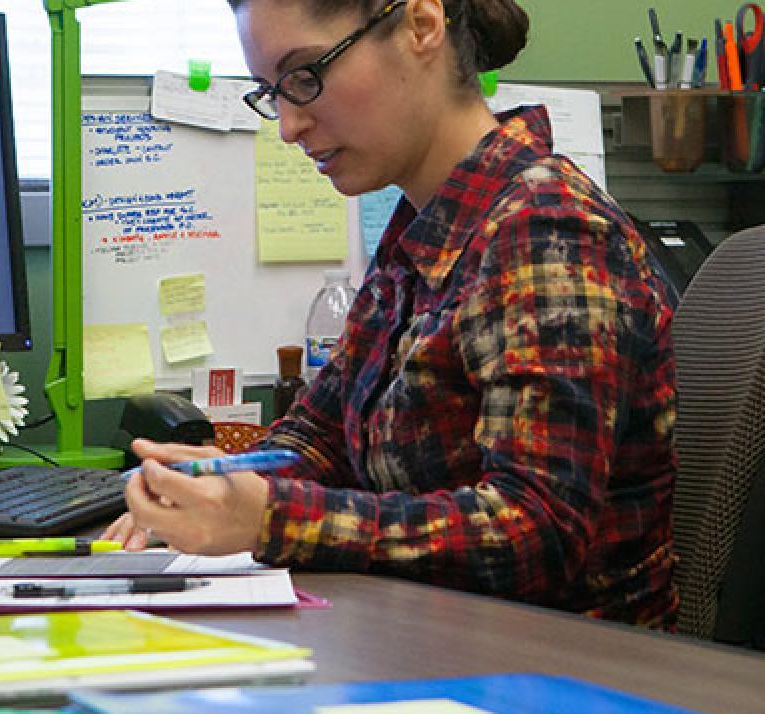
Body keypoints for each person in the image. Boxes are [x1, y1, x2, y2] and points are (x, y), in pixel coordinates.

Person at [102, 0, 680, 629]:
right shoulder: (425, 229)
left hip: (564, 671)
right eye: (272, 93)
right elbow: (321, 435)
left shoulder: (546, 229)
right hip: (434, 638)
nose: (289, 126)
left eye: (304, 77)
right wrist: (223, 482)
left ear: (421, 26)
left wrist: (270, 517)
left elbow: (534, 532)